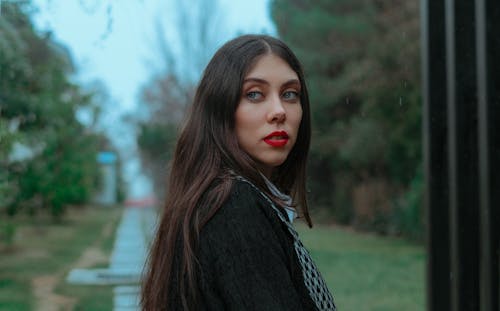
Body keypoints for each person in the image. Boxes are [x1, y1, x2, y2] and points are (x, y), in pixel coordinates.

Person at [141, 34, 336, 311]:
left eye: (290, 94)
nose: (279, 111)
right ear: (221, 109)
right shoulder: (234, 206)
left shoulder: (222, 198)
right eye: (254, 94)